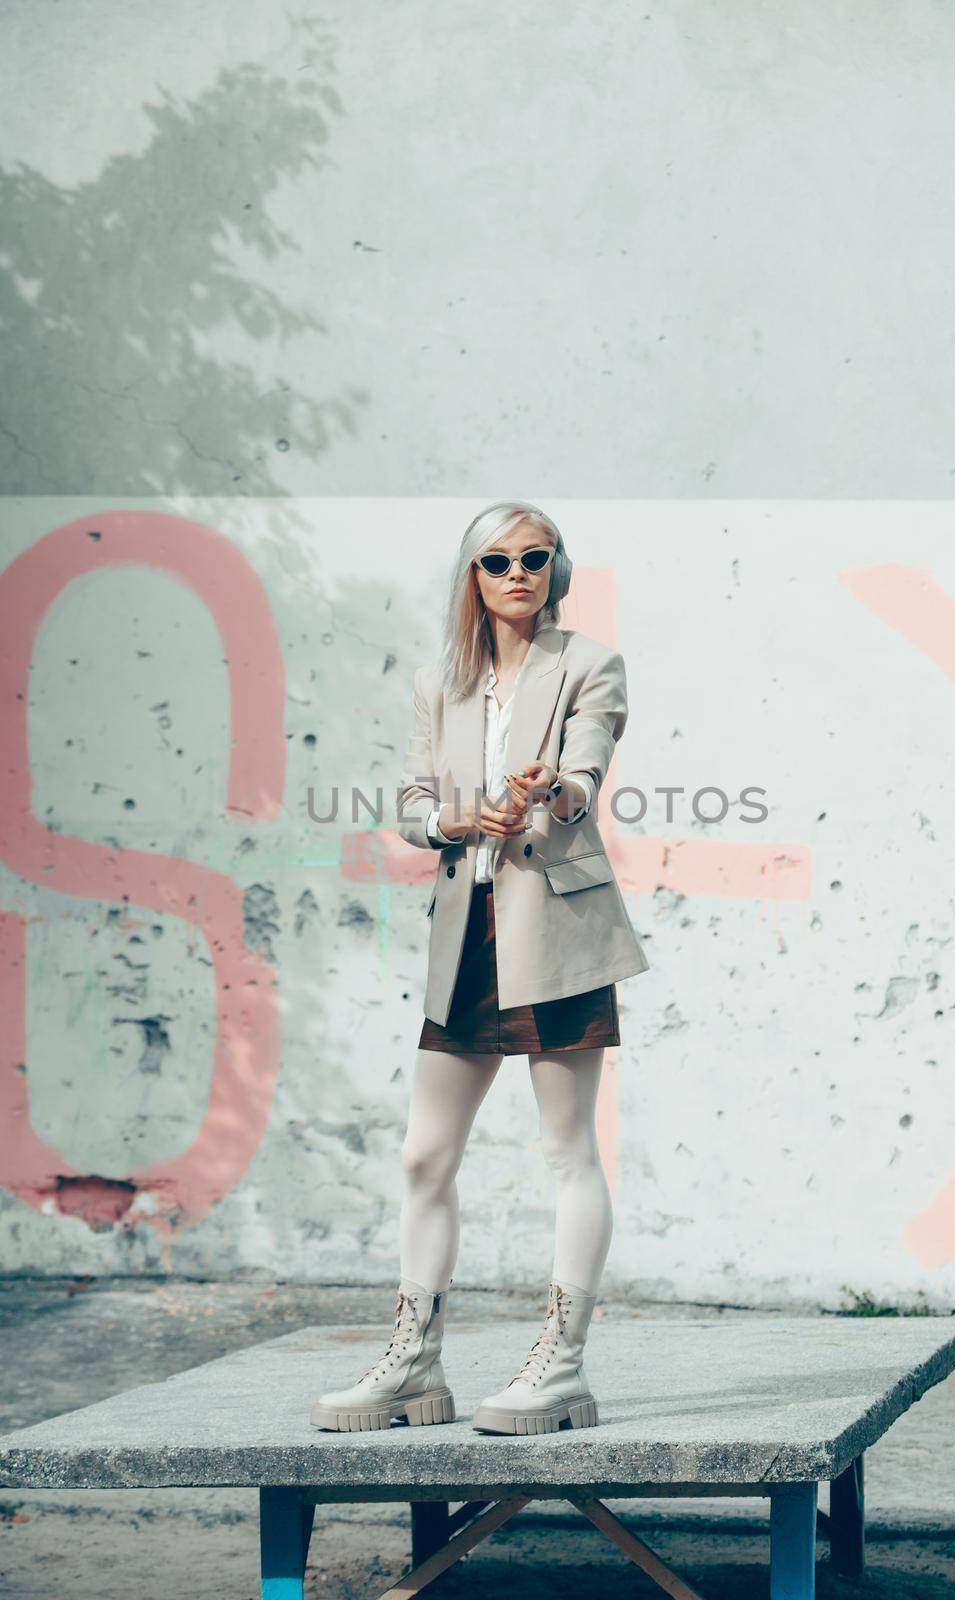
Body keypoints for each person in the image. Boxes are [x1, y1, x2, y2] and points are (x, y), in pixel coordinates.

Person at [311, 500, 649, 1436]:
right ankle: (415, 1364)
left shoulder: (589, 664)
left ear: (556, 569)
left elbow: (588, 767)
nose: (518, 574)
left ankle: (560, 1366)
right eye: (497, 560)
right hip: (469, 934)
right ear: (471, 574)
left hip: (560, 930)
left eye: (536, 557)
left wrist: (558, 792)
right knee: (425, 1153)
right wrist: (457, 819)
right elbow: (414, 800)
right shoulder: (441, 683)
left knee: (566, 1149)